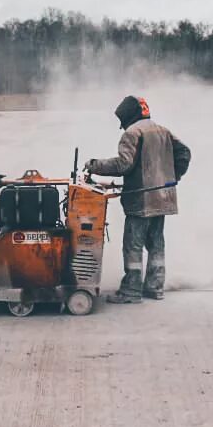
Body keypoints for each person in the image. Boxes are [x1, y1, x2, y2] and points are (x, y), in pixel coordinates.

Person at [85, 96, 192, 303]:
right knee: (156, 244)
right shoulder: (162, 130)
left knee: (133, 246)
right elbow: (184, 154)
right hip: (162, 199)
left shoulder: (132, 133)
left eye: (122, 120)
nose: (121, 125)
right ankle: (155, 287)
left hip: (141, 201)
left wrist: (95, 165)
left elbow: (124, 165)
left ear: (129, 116)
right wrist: (171, 178)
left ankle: (131, 292)